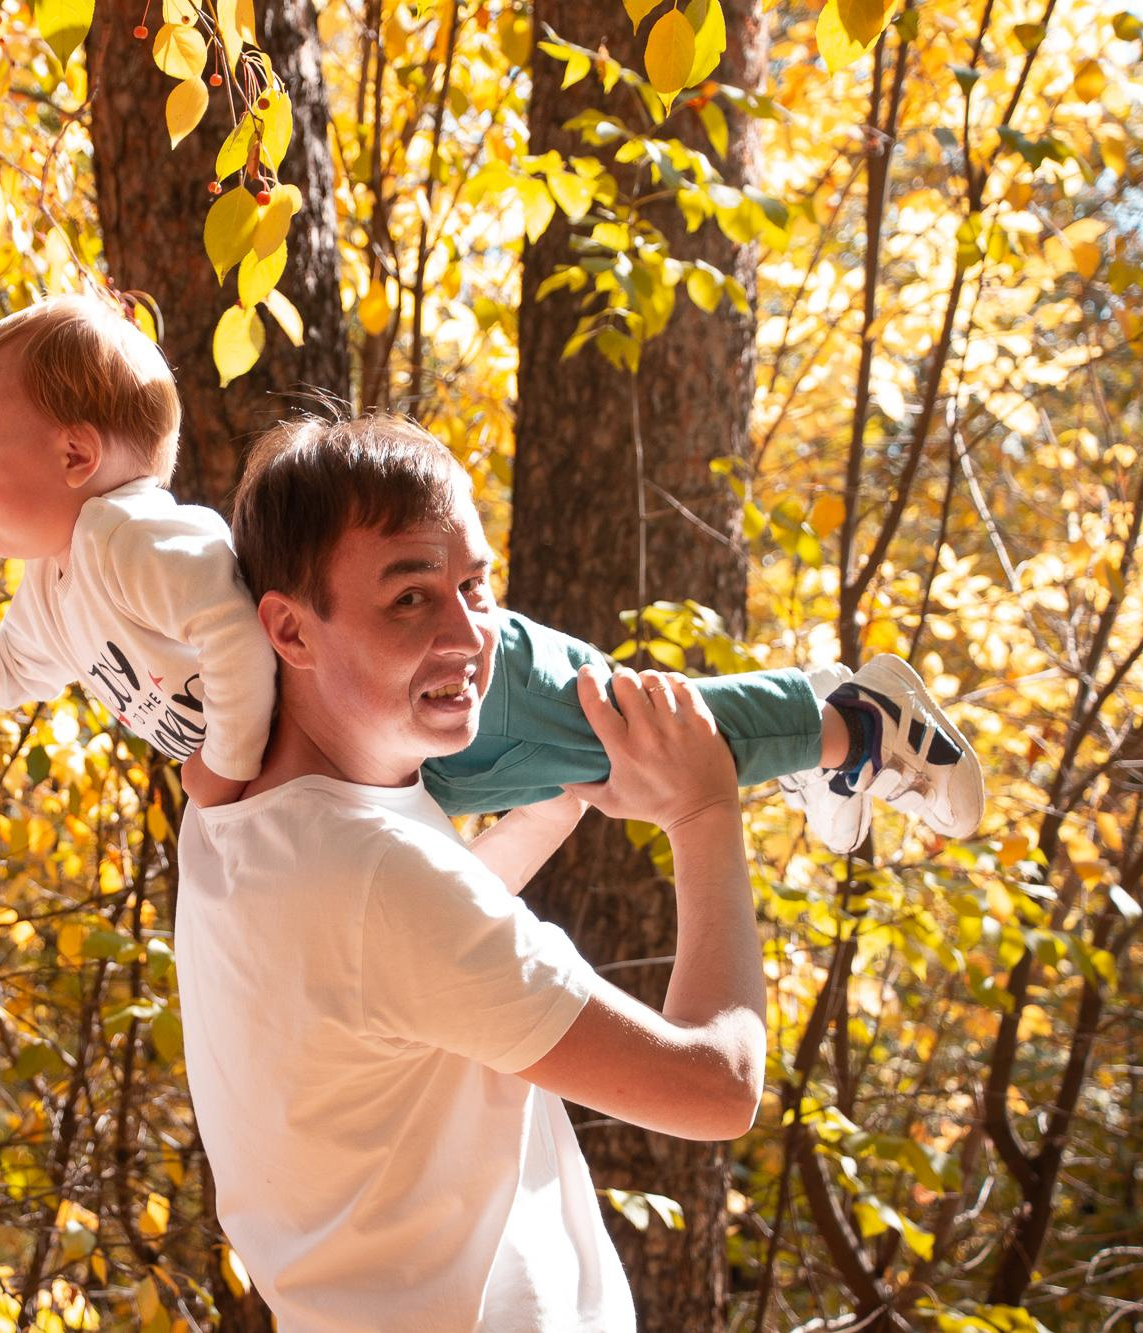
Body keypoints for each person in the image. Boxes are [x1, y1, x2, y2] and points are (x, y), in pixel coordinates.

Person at [0, 295, 982, 854]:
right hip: (406, 729)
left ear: (75, 457)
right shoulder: (55, 587)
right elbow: (13, 663)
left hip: (452, 674)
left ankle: (853, 721)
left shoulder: (131, 540)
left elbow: (235, 643)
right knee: (614, 766)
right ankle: (815, 733)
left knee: (642, 743)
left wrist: (225, 767)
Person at [174, 416, 764, 1329]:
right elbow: (717, 1088)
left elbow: (390, 977)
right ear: (289, 628)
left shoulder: (236, 810)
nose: (470, 633)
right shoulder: (383, 879)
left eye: (476, 586)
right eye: (410, 597)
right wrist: (705, 815)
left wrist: (553, 805)